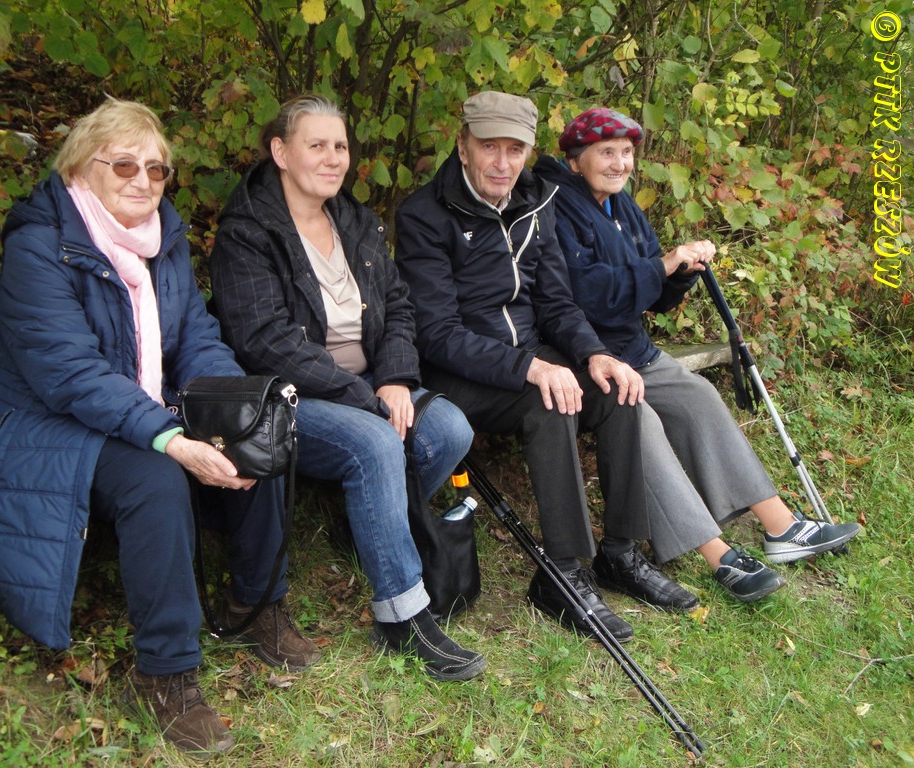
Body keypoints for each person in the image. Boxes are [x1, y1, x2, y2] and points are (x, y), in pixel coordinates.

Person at [0, 98, 308, 756]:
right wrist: (172, 439)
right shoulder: (39, 247)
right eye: (124, 165)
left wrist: (233, 410)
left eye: (156, 169)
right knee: (156, 479)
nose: (143, 181)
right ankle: (165, 674)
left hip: (136, 410)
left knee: (259, 437)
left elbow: (196, 338)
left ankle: (256, 604)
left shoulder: (162, 241)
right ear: (79, 168)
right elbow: (72, 376)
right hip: (45, 428)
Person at [394, 90, 691, 643]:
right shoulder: (424, 215)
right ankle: (563, 571)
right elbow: (437, 334)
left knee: (618, 389)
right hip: (458, 372)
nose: (503, 163)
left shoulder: (537, 202)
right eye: (490, 147)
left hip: (531, 354)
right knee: (550, 400)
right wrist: (531, 369)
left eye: (516, 150)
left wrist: (595, 353)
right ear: (463, 146)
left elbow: (556, 302)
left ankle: (620, 551)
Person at [209, 94, 485, 682]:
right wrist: (364, 398)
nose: (333, 157)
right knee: (377, 442)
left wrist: (395, 379)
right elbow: (263, 340)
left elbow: (400, 306)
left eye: (340, 145)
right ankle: (402, 616)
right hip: (289, 397)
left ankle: (364, 523)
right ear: (280, 152)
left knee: (449, 429)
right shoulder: (248, 232)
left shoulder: (356, 221)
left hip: (367, 383)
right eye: (316, 145)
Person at [531, 106, 861, 592]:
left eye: (626, 153)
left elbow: (653, 295)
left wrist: (680, 274)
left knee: (699, 398)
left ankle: (782, 528)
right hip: (584, 358)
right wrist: (664, 265)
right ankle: (719, 555)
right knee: (641, 424)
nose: (620, 163)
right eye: (607, 153)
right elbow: (585, 295)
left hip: (633, 349)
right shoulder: (556, 206)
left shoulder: (621, 206)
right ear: (576, 160)